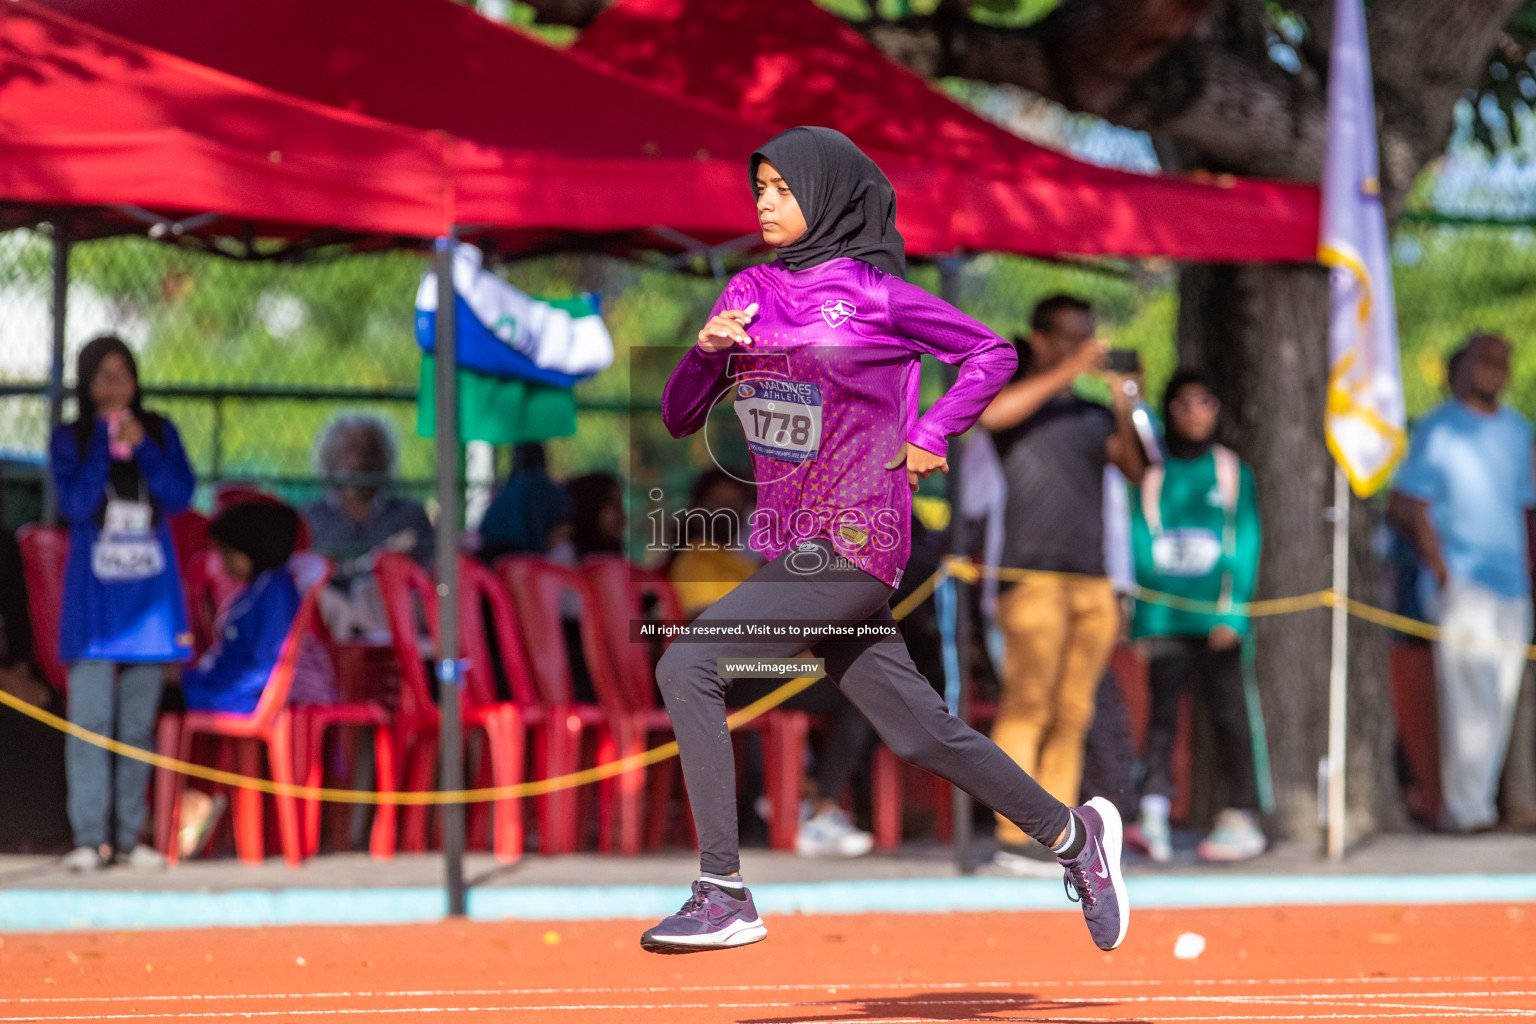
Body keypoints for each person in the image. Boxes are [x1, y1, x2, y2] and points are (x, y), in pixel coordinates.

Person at [643, 126, 1128, 954]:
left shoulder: (875, 295)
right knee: (919, 733)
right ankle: (1076, 839)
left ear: (826, 195)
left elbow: (991, 351)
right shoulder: (749, 289)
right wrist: (704, 353)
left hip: (859, 539)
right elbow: (680, 414)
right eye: (757, 187)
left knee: (688, 660)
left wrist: (935, 430)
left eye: (781, 188)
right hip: (794, 546)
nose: (763, 200)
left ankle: (722, 890)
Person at [976, 296, 1147, 873]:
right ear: (1041, 340)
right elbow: (991, 416)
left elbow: (1138, 467)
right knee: (1027, 706)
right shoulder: (1019, 406)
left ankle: (1056, 837)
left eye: (1088, 338)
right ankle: (1010, 834)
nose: (1084, 348)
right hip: (1031, 581)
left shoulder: (1095, 417)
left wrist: (1127, 401)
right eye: (1072, 338)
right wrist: (1068, 372)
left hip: (1092, 584)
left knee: (1073, 713)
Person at [669, 467, 876, 857]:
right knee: (852, 692)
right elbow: (704, 628)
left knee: (858, 683)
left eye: (735, 504)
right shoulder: (695, 560)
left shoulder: (742, 564)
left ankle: (804, 799)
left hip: (767, 665)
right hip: (732, 675)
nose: (726, 512)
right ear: (697, 509)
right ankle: (817, 808)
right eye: (718, 504)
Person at [50, 335, 195, 872]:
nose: (114, 386)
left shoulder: (160, 431)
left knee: (137, 724)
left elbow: (180, 497)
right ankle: (90, 838)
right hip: (93, 606)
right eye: (102, 377)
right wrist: (102, 449)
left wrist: (143, 448)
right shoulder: (70, 439)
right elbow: (75, 504)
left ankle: (131, 839)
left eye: (122, 374)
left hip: (151, 605)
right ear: (87, 386)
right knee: (91, 718)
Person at [1388, 333, 1536, 833]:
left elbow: (1525, 506)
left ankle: (1482, 804)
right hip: (1463, 581)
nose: (1494, 370)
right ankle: (1465, 810)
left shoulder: (1519, 431)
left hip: (1513, 583)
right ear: (1462, 367)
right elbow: (1410, 506)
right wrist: (1444, 570)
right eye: (1484, 360)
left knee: (1502, 696)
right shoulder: (1438, 429)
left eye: (1502, 361)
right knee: (1467, 696)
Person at [1128, 370, 1265, 862]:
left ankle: (1242, 814)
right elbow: (1140, 544)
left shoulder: (1231, 471)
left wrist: (1235, 612)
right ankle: (1154, 813)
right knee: (1163, 716)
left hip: (1217, 622)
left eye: (1205, 401)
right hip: (1166, 619)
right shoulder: (1154, 472)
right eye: (1182, 403)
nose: (1194, 412)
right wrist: (1142, 621)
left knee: (1230, 713)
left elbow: (1245, 543)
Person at [178, 501, 336, 714]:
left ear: (254, 549)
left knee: (164, 697)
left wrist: (227, 691)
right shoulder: (254, 592)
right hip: (233, 687)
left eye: (227, 553)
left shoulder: (277, 592)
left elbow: (270, 665)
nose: (222, 562)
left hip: (250, 697)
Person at [302, 413, 433, 637]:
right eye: (350, 450)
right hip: (336, 616)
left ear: (383, 459)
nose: (359, 460)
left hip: (392, 612)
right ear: (331, 458)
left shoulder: (409, 515)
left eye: (369, 451)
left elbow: (428, 570)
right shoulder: (311, 517)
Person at [478, 443, 573, 563]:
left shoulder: (506, 489)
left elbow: (484, 529)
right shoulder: (548, 488)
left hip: (492, 558)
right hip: (527, 560)